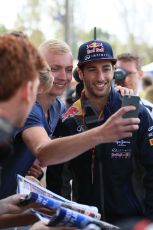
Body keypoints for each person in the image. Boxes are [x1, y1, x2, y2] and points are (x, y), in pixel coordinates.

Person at [54, 39, 153, 224]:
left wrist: (147, 220)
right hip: (86, 224)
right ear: (81, 73)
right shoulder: (69, 120)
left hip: (133, 223)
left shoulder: (135, 111)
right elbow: (58, 181)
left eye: (106, 68)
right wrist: (66, 221)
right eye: (92, 70)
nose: (100, 77)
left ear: (114, 71)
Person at [114, 53, 153, 118]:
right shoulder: (104, 105)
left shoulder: (150, 110)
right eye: (120, 73)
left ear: (140, 74)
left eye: (130, 73)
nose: (125, 79)